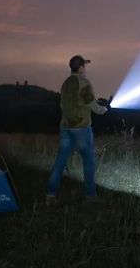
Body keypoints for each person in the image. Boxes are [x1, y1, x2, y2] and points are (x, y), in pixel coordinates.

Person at [46, 55, 109, 203]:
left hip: (65, 127)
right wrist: (104, 110)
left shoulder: (66, 83)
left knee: (60, 160)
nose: (85, 69)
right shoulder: (84, 83)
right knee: (88, 160)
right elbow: (92, 105)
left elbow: (62, 105)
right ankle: (90, 195)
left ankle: (50, 195)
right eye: (84, 65)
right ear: (80, 67)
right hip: (81, 128)